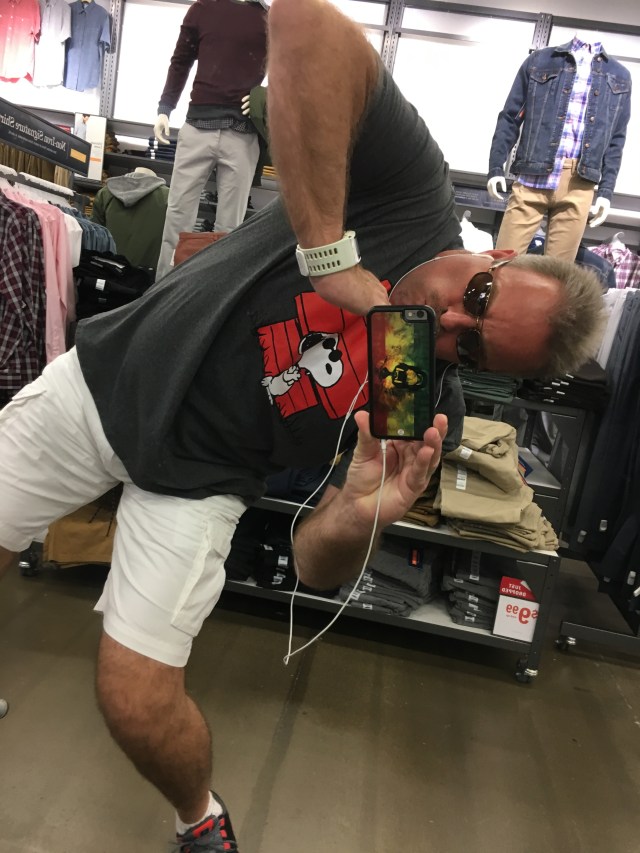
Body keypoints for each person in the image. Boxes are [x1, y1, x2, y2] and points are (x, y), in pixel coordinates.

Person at [0, 1, 605, 850]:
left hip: (202, 479)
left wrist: (362, 509)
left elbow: (318, 567)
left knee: (135, 697)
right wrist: (329, 255)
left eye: (470, 349)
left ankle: (200, 818)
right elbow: (304, 22)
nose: (448, 323)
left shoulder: (420, 401)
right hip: (110, 379)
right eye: (476, 297)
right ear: (498, 255)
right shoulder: (413, 195)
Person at [487, 34, 631, 262]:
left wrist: (606, 192)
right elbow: (510, 117)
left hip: (579, 183)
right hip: (532, 177)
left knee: (557, 276)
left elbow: (616, 139)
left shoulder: (620, 75)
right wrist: (496, 166)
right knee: (500, 266)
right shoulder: (540, 60)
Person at [153, 0, 268, 278]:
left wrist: (268, 97)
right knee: (177, 217)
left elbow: (293, 68)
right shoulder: (202, 9)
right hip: (198, 126)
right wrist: (165, 107)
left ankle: (213, 296)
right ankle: (163, 292)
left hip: (243, 132)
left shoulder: (270, 19)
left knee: (230, 229)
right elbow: (180, 60)